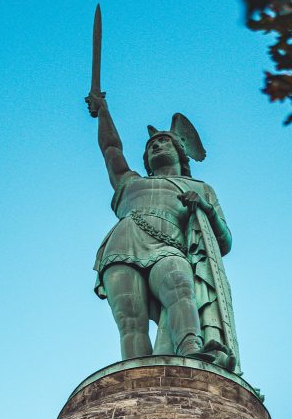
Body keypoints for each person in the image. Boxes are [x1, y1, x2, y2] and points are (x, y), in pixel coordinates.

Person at [85, 94, 241, 372]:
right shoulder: (129, 183)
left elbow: (224, 243)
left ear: (180, 150)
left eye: (163, 141)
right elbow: (111, 149)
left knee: (180, 286)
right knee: (131, 320)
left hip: (169, 246)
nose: (156, 145)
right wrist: (104, 112)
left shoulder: (201, 187)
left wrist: (204, 207)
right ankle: (137, 374)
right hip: (123, 245)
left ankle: (191, 349)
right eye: (151, 145)